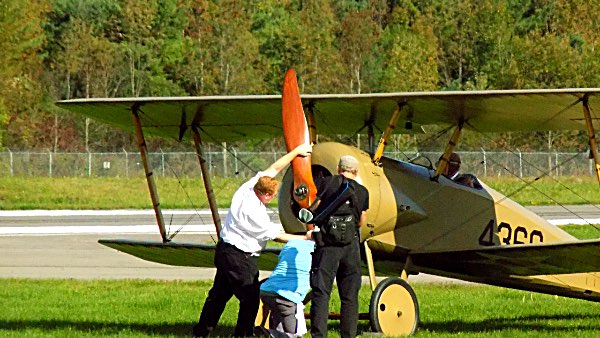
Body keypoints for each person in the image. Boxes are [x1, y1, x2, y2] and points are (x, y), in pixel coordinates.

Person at [192, 143, 313, 338]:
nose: (273, 198)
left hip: (224, 251)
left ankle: (201, 332)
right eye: (272, 195)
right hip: (240, 257)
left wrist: (296, 152)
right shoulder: (256, 214)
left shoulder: (247, 188)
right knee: (250, 298)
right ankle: (243, 334)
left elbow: (273, 169)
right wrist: (304, 237)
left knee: (218, 296)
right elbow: (277, 235)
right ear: (265, 194)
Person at [308, 155, 369, 338]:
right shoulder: (363, 191)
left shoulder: (327, 183)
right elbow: (362, 220)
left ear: (338, 168)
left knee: (321, 292)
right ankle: (348, 335)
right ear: (355, 172)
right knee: (349, 296)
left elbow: (314, 208)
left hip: (327, 246)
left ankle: (319, 335)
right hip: (351, 247)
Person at [255, 239, 315, 337]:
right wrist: (301, 302)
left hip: (266, 291)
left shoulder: (291, 243)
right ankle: (268, 332)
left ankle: (268, 332)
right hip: (287, 298)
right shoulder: (319, 250)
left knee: (279, 320)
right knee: (292, 335)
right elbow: (320, 288)